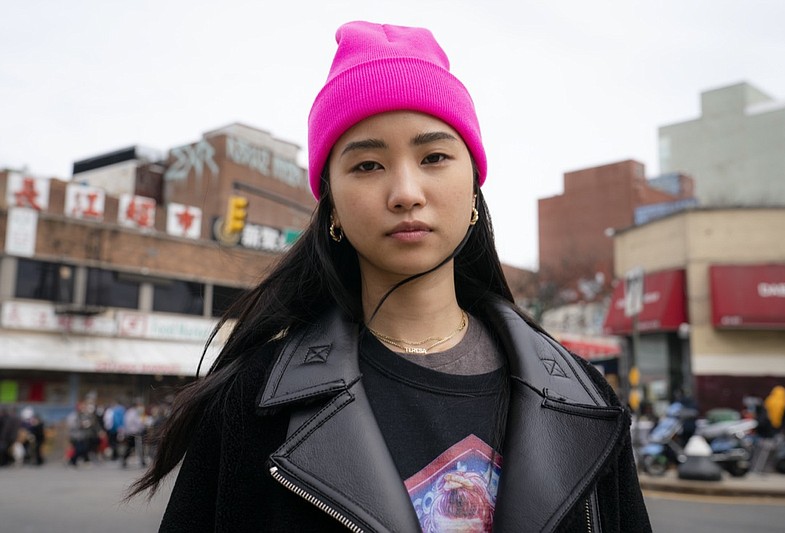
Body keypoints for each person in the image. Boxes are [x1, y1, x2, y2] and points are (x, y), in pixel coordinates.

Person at [130, 21, 651, 532]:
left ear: (473, 188)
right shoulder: (253, 403)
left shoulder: (583, 399)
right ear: (330, 205)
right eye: (367, 165)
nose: (406, 191)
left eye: (434, 157)